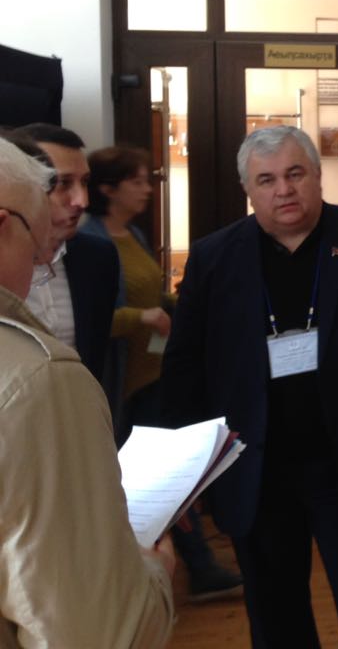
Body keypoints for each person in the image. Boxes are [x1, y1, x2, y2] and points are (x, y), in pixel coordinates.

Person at [162, 126, 338, 647]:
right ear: (248, 190)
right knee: (276, 616)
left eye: (295, 174)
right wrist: (181, 478)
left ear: (318, 176)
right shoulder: (214, 258)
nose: (283, 189)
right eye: (267, 180)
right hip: (256, 470)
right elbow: (185, 370)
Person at [0, 136, 176, 647]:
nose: (37, 272)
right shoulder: (38, 379)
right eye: (36, 254)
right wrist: (155, 574)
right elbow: (92, 633)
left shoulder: (104, 254)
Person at [84, 144, 243, 600]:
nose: (146, 189)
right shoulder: (89, 239)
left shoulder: (132, 234)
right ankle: (184, 568)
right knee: (145, 480)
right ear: (109, 188)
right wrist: (144, 317)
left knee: (169, 474)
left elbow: (150, 297)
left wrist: (184, 305)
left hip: (151, 378)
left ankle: (197, 566)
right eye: (136, 181)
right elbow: (93, 318)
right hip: (119, 384)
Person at [6, 123, 120, 386]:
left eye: (85, 182)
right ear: (27, 187)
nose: (82, 201)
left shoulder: (97, 258)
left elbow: (96, 358)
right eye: (62, 183)